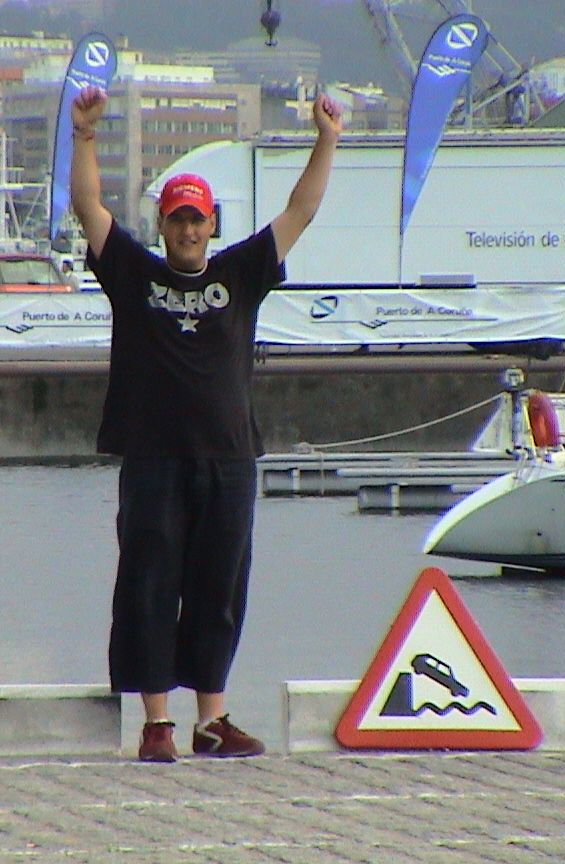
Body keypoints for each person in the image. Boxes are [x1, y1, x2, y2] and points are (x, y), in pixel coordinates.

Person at [70, 83, 342, 762]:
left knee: (219, 588)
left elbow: (302, 209)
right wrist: (84, 134)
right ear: (162, 226)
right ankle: (157, 724)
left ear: (212, 224)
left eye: (197, 220)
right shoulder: (134, 275)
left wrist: (327, 138)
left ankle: (212, 720)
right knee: (150, 586)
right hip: (154, 459)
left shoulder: (242, 272)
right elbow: (88, 208)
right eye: (177, 220)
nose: (188, 231)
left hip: (228, 459)